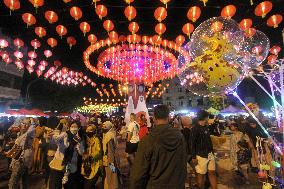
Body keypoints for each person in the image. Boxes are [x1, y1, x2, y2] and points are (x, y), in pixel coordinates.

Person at [130, 105, 187, 189]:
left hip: (156, 185)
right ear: (168, 117)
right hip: (176, 184)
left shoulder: (148, 140)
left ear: (154, 118)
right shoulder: (179, 136)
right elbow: (183, 161)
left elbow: (139, 172)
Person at [48, 121, 84, 189]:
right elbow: (56, 139)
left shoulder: (79, 139)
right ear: (69, 127)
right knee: (56, 184)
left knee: (68, 184)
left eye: (75, 127)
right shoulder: (65, 134)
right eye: (72, 126)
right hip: (59, 163)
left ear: (79, 128)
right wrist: (53, 135)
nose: (73, 128)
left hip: (70, 165)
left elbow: (81, 153)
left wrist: (79, 147)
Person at [190, 110, 217, 189]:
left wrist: (212, 151)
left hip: (209, 154)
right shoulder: (194, 129)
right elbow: (191, 143)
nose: (208, 118)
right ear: (205, 118)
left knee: (212, 172)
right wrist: (193, 157)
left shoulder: (206, 127)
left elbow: (208, 140)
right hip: (200, 155)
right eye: (208, 117)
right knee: (201, 175)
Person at [7, 118, 35, 189]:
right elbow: (10, 129)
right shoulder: (20, 133)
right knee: (24, 179)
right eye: (23, 124)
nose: (24, 126)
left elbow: (31, 130)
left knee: (14, 180)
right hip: (19, 158)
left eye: (27, 124)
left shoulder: (29, 133)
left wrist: (32, 123)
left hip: (23, 159)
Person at [81, 124, 104, 189]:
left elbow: (99, 152)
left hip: (94, 165)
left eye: (90, 130)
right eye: (87, 130)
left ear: (94, 131)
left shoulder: (97, 139)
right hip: (86, 165)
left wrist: (89, 155)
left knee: (89, 185)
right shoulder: (84, 139)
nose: (88, 131)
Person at [102, 121, 120, 189]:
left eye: (105, 126)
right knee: (112, 173)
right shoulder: (110, 133)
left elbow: (110, 149)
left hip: (109, 159)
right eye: (103, 126)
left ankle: (112, 187)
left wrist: (110, 161)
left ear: (109, 127)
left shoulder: (108, 135)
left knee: (111, 174)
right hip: (110, 159)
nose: (103, 128)